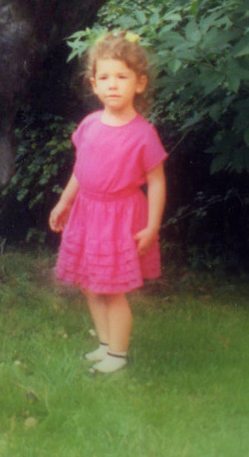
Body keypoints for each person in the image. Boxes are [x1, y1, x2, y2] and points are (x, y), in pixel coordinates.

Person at [48, 31, 168, 375]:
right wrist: (64, 202)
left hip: (120, 219)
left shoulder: (143, 134)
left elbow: (157, 181)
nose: (112, 85)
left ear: (139, 84)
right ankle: (104, 344)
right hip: (87, 213)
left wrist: (153, 226)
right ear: (94, 84)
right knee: (89, 283)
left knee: (112, 290)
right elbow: (80, 170)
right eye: (104, 77)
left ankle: (118, 354)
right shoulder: (88, 125)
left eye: (122, 77)